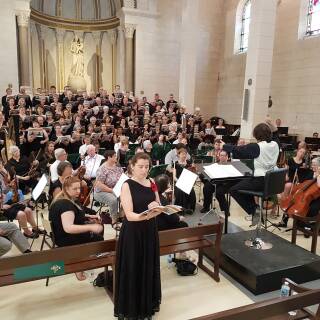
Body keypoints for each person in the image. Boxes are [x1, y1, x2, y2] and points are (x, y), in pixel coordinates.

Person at [114, 153, 162, 319]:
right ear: (132, 166)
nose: (144, 170)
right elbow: (129, 215)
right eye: (140, 166)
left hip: (149, 230)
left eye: (147, 167)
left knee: (148, 265)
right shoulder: (127, 185)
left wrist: (157, 206)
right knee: (134, 267)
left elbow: (157, 203)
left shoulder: (152, 182)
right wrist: (148, 215)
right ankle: (133, 307)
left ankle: (147, 303)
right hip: (134, 232)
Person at [222, 123, 279, 224]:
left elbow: (238, 150)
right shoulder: (275, 144)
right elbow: (276, 134)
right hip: (273, 181)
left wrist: (224, 146)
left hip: (261, 181)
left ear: (256, 135)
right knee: (244, 182)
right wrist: (270, 123)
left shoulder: (257, 147)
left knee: (233, 190)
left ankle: (254, 211)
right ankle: (255, 210)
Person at [49, 176, 104, 280]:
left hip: (58, 235)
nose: (78, 191)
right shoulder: (65, 205)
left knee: (97, 227)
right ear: (66, 189)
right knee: (98, 238)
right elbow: (68, 228)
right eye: (75, 189)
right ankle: (80, 266)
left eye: (79, 188)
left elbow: (74, 215)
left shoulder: (65, 199)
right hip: (65, 238)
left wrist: (88, 216)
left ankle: (84, 262)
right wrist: (90, 227)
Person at [278, 157, 320, 228]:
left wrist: (318, 175)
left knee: (311, 208)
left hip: (316, 197)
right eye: (312, 164)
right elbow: (304, 182)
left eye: (314, 165)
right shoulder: (310, 172)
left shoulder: (319, 175)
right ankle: (284, 221)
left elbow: (319, 186)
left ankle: (307, 226)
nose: (312, 166)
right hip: (306, 194)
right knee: (293, 201)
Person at [94, 150, 123, 226]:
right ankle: (114, 220)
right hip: (101, 191)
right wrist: (112, 190)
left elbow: (122, 177)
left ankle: (122, 216)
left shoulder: (117, 166)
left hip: (116, 189)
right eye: (114, 156)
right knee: (113, 200)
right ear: (109, 157)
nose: (116, 157)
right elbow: (99, 184)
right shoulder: (102, 169)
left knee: (126, 196)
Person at [201, 150, 234, 215]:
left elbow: (231, 178)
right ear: (219, 156)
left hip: (225, 184)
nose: (222, 157)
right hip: (215, 182)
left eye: (224, 155)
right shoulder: (215, 164)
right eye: (221, 155)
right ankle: (206, 207)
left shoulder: (230, 165)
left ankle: (225, 209)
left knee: (218, 192)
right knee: (206, 188)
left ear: (227, 157)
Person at [171, 145, 196, 214]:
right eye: (182, 154)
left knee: (191, 190)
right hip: (178, 182)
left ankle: (189, 208)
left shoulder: (189, 163)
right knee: (180, 191)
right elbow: (174, 177)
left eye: (185, 154)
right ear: (178, 155)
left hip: (187, 182)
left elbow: (193, 174)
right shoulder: (175, 164)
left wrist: (194, 168)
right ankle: (181, 209)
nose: (184, 155)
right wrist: (180, 182)